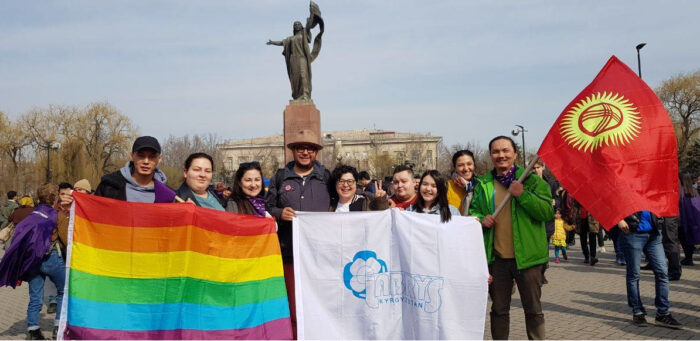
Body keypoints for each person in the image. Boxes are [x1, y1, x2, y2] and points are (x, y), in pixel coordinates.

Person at [469, 136, 553, 340]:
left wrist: (522, 194)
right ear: (490, 156)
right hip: (496, 260)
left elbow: (546, 213)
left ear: (515, 154)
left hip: (528, 259)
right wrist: (481, 220)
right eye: (496, 151)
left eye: (506, 150)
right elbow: (473, 212)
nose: (501, 155)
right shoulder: (484, 184)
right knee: (499, 310)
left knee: (533, 310)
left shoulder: (532, 181)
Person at [265, 129, 330, 338]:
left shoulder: (326, 177)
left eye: (310, 148)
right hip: (289, 252)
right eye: (300, 148)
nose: (305, 152)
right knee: (292, 304)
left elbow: (344, 201)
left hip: (319, 255)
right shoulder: (281, 176)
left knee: (319, 302)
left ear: (316, 152)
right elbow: (268, 206)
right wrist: (278, 213)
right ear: (293, 151)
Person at [0, 183, 65, 340]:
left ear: (39, 197)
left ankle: (33, 330)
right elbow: (65, 238)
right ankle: (58, 327)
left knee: (35, 296)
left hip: (33, 262)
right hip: (52, 258)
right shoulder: (57, 215)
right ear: (55, 198)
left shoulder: (32, 215)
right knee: (63, 291)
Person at [617, 212, 682, 329]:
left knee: (662, 272)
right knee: (634, 274)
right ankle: (638, 312)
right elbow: (611, 202)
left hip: (654, 233)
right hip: (632, 233)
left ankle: (662, 314)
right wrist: (618, 219)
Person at [95, 136, 175, 203]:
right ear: (132, 156)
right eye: (141, 156)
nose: (146, 161)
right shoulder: (109, 186)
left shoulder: (169, 196)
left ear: (159, 159)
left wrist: (186, 210)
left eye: (152, 157)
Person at [447, 150, 478, 216]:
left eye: (469, 164)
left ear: (474, 165)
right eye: (460, 165)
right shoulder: (447, 187)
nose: (466, 169)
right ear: (455, 168)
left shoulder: (480, 186)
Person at [679, 173, 699, 266]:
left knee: (683, 238)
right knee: (690, 238)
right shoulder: (694, 191)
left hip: (682, 220)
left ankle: (688, 258)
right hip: (694, 219)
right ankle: (689, 257)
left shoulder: (680, 191)